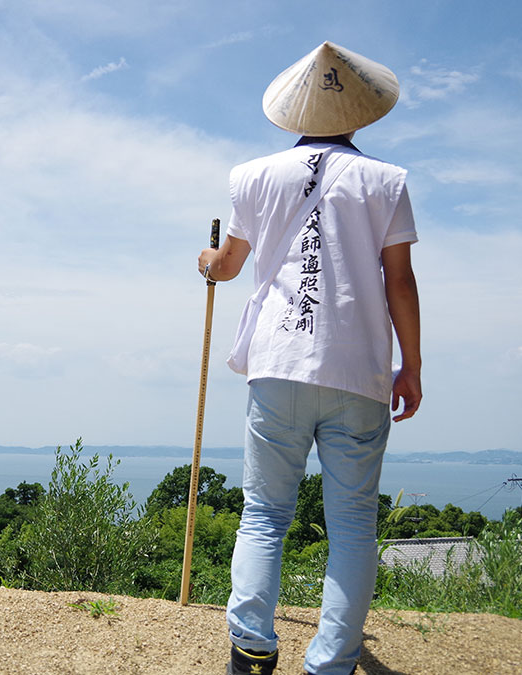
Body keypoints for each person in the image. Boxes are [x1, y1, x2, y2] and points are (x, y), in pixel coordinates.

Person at [197, 42, 422, 675]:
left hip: (279, 362)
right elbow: (399, 282)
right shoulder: (387, 181)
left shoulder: (252, 176)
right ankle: (331, 662)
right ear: (359, 111)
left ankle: (252, 647)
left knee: (265, 513)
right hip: (361, 370)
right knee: (351, 522)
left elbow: (229, 264)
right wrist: (414, 365)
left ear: (295, 113)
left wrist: (206, 264)